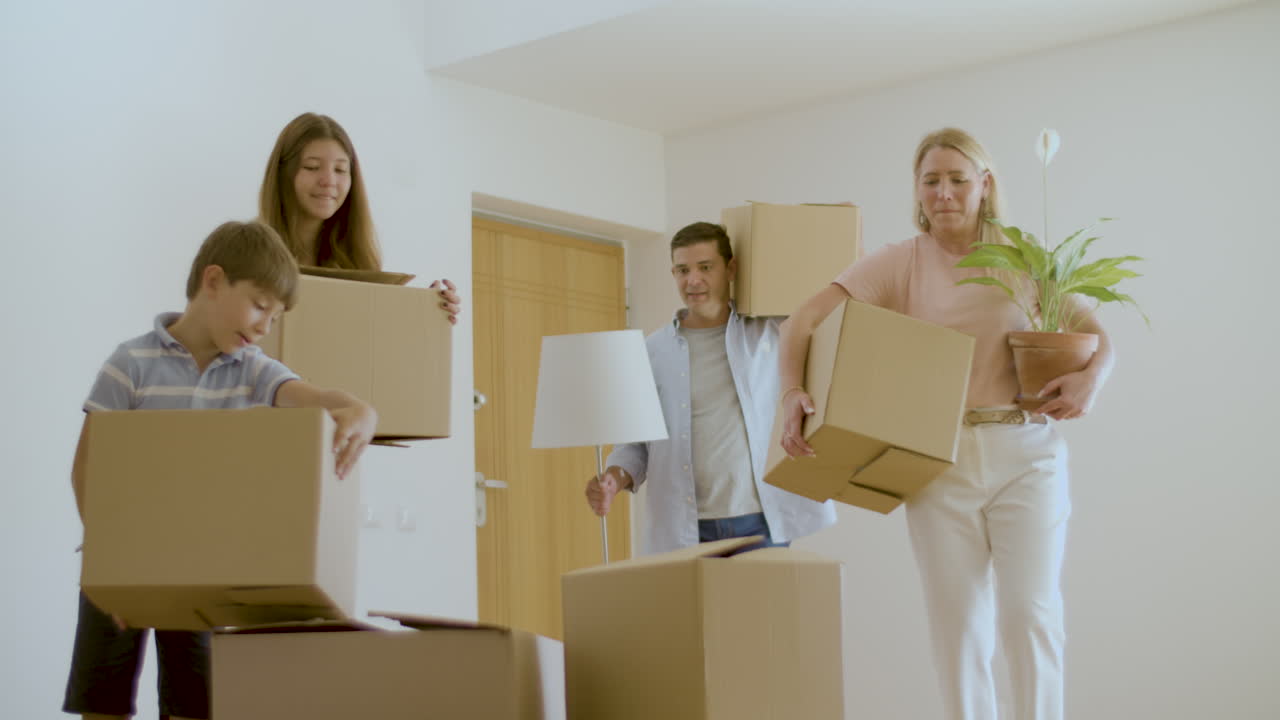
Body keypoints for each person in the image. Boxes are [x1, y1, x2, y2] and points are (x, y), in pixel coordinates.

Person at [778, 128, 1115, 720]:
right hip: (940, 460)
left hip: (1026, 453)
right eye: (931, 180)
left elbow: (1099, 335)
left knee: (1029, 613)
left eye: (958, 179)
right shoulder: (898, 263)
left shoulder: (1022, 257)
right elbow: (800, 323)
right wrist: (791, 393)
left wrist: (1092, 379)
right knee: (957, 626)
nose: (944, 192)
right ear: (917, 190)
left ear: (984, 185)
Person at [63, 220, 379, 720]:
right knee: (102, 702)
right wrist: (111, 564)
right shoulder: (132, 363)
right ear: (213, 282)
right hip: (122, 561)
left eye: (275, 318)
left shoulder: (253, 370)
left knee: (194, 703)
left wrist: (362, 410)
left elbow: (319, 398)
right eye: (259, 305)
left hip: (198, 566)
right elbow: (87, 466)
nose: (262, 327)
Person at [585, 221, 836, 555]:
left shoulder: (771, 333)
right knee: (692, 611)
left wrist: (845, 228)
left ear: (729, 268)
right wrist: (614, 478)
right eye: (682, 270)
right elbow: (636, 444)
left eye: (705, 267)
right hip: (685, 529)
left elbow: (835, 299)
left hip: (762, 522)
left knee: (761, 609)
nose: (693, 280)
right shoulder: (651, 352)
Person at [258, 111, 462, 324]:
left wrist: (425, 309)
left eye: (340, 169)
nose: (329, 180)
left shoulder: (358, 262)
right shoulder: (253, 254)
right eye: (312, 167)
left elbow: (370, 336)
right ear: (284, 173)